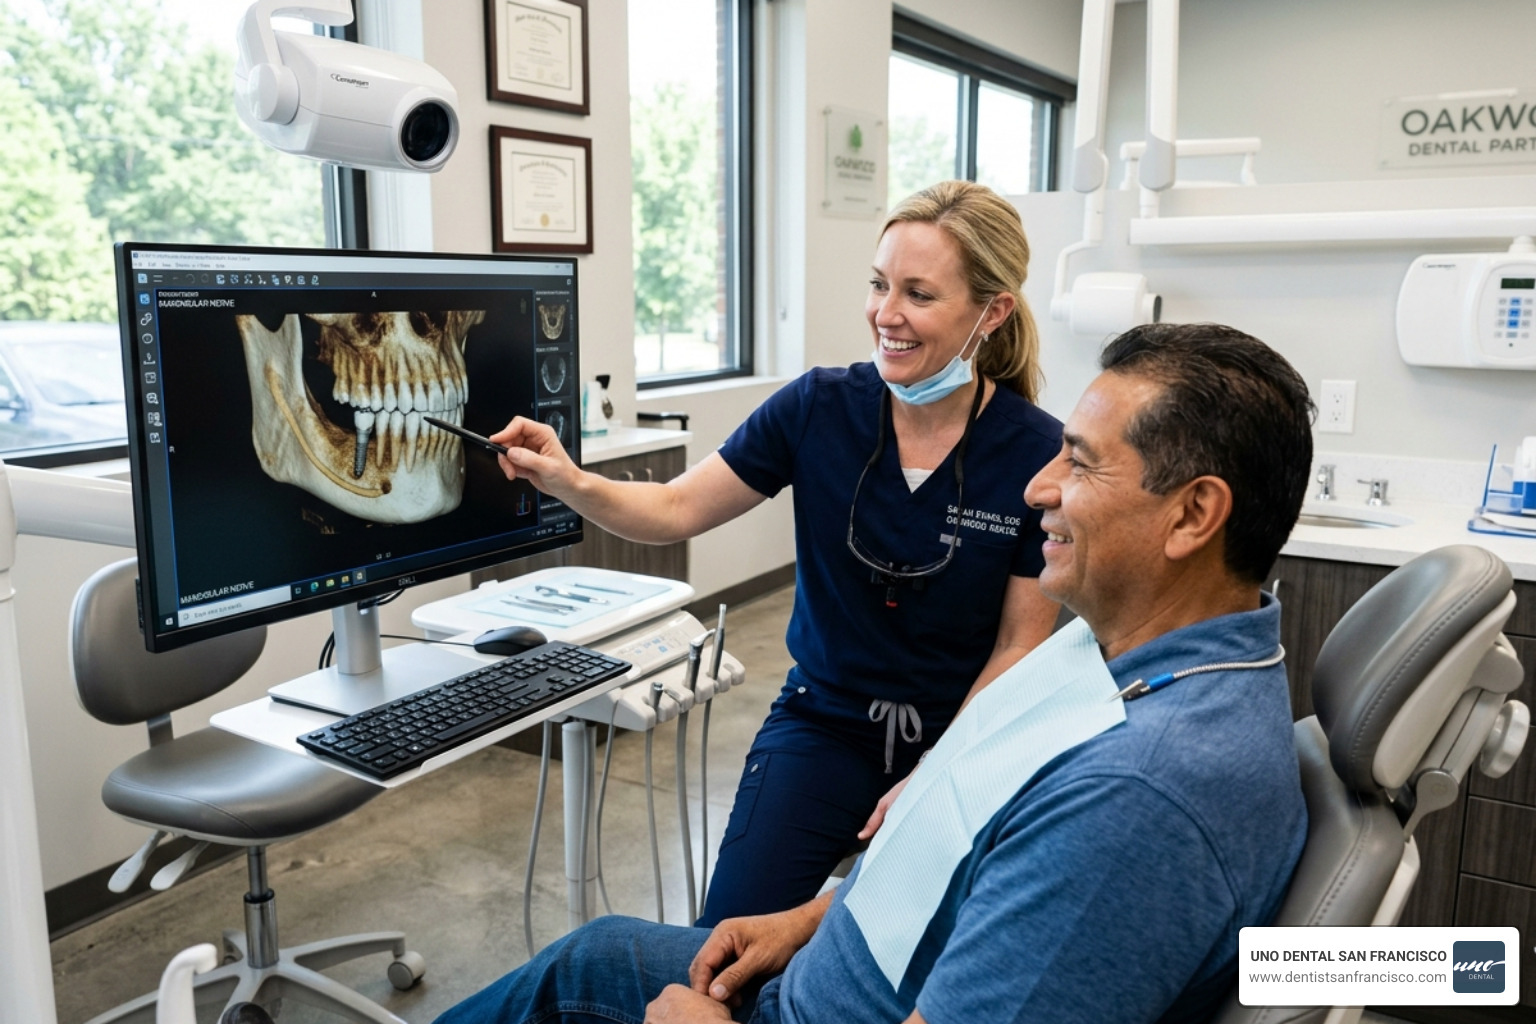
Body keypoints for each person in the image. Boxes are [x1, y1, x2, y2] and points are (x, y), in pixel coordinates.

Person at [434, 321, 1315, 1024]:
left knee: (578, 976)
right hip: (833, 931)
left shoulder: (1139, 795)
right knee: (598, 951)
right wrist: (813, 920)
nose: (1039, 488)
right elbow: (971, 871)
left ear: (1195, 513)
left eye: (1079, 462)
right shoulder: (1123, 654)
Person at [490, 181, 1064, 924]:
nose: (886, 314)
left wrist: (940, 772)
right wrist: (568, 479)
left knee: (919, 953)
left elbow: (1022, 642)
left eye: (919, 294)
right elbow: (674, 509)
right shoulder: (817, 407)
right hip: (826, 724)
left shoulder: (1038, 450)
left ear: (992, 312)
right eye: (879, 284)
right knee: (725, 947)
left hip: (965, 734)